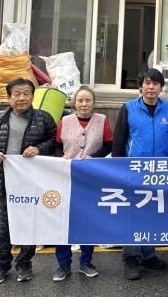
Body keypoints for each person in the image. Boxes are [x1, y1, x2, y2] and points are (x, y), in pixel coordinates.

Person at [0, 78, 57, 284]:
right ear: (9, 97)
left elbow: (55, 142)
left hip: (31, 184)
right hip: (2, 183)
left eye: (26, 94)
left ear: (32, 96)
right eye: (17, 94)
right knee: (2, 228)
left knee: (28, 225)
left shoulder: (44, 119)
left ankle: (24, 264)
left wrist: (39, 149)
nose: (22, 98)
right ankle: (0, 267)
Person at [112, 68, 168, 280]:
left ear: (161, 88)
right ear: (140, 86)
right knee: (133, 213)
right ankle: (131, 258)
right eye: (147, 83)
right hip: (134, 171)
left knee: (153, 212)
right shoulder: (129, 108)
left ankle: (148, 254)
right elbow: (119, 140)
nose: (151, 87)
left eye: (155, 83)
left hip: (160, 171)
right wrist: (118, 169)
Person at [52, 86, 113, 281]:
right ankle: (63, 264)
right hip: (66, 176)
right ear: (74, 103)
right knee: (64, 220)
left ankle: (86, 262)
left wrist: (94, 158)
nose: (84, 104)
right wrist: (62, 158)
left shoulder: (102, 120)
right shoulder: (65, 121)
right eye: (80, 100)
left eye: (88, 100)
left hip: (91, 177)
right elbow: (56, 145)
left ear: (93, 103)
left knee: (89, 219)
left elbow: (109, 144)